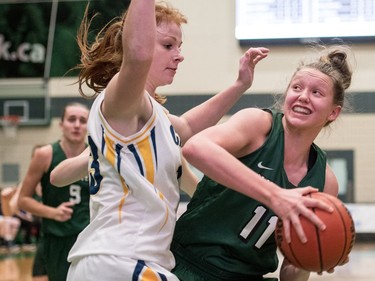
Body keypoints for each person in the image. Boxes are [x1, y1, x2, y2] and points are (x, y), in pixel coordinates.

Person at [59, 1, 269, 280]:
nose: (179, 56)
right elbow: (138, 56)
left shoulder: (154, 116)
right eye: (168, 45)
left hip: (121, 261)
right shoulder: (121, 99)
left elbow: (189, 125)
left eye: (179, 47)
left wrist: (239, 85)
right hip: (120, 259)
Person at [171, 44, 354, 281]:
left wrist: (315, 257)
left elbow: (291, 271)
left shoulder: (325, 182)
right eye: (296, 87)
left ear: (333, 113)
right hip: (189, 265)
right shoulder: (259, 125)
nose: (303, 96)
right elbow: (196, 148)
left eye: (317, 93)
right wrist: (276, 195)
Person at [18, 102, 90, 281]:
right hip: (56, 238)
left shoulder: (96, 154)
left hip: (88, 238)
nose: (77, 125)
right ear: (61, 124)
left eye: (82, 120)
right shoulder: (45, 154)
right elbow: (23, 200)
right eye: (71, 119)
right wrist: (53, 212)